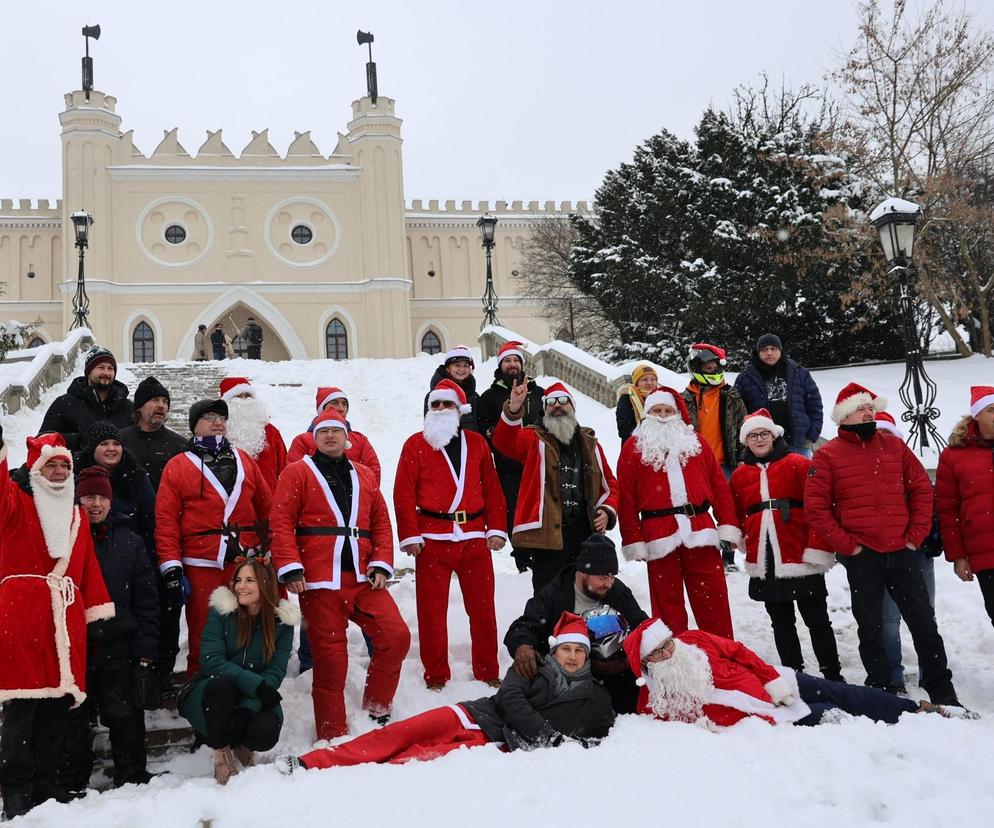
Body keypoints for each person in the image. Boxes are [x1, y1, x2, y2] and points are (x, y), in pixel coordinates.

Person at [275, 611, 615, 775]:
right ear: (555, 651)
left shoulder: (594, 697)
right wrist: (546, 735)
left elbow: (599, 733)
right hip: (472, 714)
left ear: (587, 656)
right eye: (566, 649)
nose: (571, 656)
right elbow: (509, 700)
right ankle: (312, 763)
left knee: (412, 761)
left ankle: (352, 779)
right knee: (395, 735)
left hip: (492, 742)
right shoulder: (532, 665)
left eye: (578, 651)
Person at [804, 382, 960, 705]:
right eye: (862, 408)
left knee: (923, 623)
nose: (869, 411)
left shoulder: (893, 446)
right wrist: (849, 547)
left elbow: (921, 489)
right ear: (845, 416)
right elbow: (816, 509)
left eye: (871, 407)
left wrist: (915, 537)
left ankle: (942, 690)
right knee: (871, 626)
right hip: (864, 556)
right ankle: (881, 688)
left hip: (902, 552)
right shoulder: (828, 455)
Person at [270, 408, 410, 739]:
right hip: (319, 581)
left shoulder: (364, 474)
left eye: (336, 431)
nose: (330, 436)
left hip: (363, 578)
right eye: (323, 432)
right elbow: (281, 521)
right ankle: (333, 734)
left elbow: (380, 522)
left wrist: (380, 561)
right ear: (314, 438)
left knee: (396, 637)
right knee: (330, 661)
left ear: (348, 438)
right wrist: (290, 566)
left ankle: (378, 706)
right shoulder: (296, 472)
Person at [0, 430, 114, 820]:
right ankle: (15, 790)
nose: (60, 470)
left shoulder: (78, 514)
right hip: (22, 615)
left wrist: (95, 612)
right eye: (51, 463)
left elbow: (88, 568)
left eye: (65, 464)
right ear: (36, 467)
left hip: (64, 621)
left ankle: (47, 785)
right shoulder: (15, 502)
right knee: (20, 711)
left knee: (55, 710)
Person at [622, 618, 967, 728]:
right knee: (835, 716)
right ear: (648, 662)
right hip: (769, 717)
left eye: (667, 642)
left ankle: (920, 713)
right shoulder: (655, 701)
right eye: (659, 651)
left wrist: (770, 679)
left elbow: (739, 651)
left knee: (844, 693)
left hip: (778, 682)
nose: (669, 651)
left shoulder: (691, 640)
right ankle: (901, 737)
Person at [395, 378, 507, 689]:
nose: (442, 409)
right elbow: (403, 493)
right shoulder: (415, 444)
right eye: (436, 404)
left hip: (473, 536)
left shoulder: (477, 443)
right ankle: (436, 675)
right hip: (432, 538)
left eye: (448, 404)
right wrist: (410, 535)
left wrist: (496, 528)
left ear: (460, 410)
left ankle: (487, 670)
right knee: (431, 613)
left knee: (484, 610)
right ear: (428, 409)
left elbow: (493, 489)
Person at [155, 398, 272, 676]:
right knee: (204, 632)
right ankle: (203, 694)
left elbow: (267, 509)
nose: (218, 422)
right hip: (201, 562)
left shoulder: (245, 460)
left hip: (246, 562)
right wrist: (171, 565)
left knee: (248, 629)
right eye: (209, 417)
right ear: (194, 425)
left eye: (222, 417)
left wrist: (271, 548)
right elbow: (166, 520)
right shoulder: (178, 465)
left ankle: (245, 689)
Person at [60, 467, 159, 793]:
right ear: (78, 499)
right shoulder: (63, 539)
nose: (96, 504)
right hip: (74, 646)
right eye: (89, 496)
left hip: (119, 644)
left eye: (103, 497)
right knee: (74, 720)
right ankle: (73, 782)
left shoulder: (130, 542)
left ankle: (133, 777)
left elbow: (146, 599)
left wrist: (146, 646)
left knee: (125, 716)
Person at [617, 387, 739, 639]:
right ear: (646, 415)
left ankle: (722, 652)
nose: (662, 416)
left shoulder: (696, 443)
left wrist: (727, 524)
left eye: (667, 410)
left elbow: (719, 487)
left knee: (713, 600)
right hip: (658, 534)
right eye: (656, 411)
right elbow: (626, 499)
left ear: (677, 414)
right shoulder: (633, 448)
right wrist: (633, 539)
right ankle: (675, 657)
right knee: (667, 606)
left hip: (701, 529)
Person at [729, 409, 841, 680]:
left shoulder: (798, 464)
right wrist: (741, 537)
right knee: (780, 619)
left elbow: (820, 506)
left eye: (763, 433)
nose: (759, 439)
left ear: (774, 434)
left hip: (799, 551)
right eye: (753, 435)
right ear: (746, 441)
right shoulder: (740, 475)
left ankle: (832, 672)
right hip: (765, 554)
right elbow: (734, 511)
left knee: (816, 618)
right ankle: (794, 672)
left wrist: (818, 546)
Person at [178, 557, 298, 785]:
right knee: (223, 685)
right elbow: (211, 661)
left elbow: (276, 670)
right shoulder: (222, 612)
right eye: (238, 580)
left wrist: (249, 707)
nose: (240, 586)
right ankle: (221, 752)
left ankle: (245, 745)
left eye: (249, 580)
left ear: (265, 583)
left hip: (254, 696)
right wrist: (256, 685)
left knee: (266, 730)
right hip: (212, 693)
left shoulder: (282, 622)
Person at [494, 380, 619, 592]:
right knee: (548, 596)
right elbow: (504, 441)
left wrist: (607, 510)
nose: (557, 405)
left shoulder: (590, 444)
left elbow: (611, 485)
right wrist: (514, 408)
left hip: (584, 534)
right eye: (551, 402)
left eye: (563, 401)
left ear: (573, 407)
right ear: (544, 409)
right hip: (547, 537)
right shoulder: (533, 439)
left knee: (585, 594)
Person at [504, 534, 648, 713]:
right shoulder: (554, 593)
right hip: (564, 675)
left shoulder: (617, 591)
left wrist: (625, 662)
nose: (609, 583)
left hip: (613, 674)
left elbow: (642, 626)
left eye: (612, 577)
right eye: (603, 577)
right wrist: (523, 648)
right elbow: (522, 628)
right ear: (582, 573)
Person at [875, 410, 940, 691]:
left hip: (917, 550)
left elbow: (927, 504)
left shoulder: (908, 465)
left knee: (925, 612)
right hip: (885, 554)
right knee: (888, 617)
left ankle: (931, 670)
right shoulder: (865, 472)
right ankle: (894, 673)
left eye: (888, 435)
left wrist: (917, 539)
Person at [476, 341, 545, 574]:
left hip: (538, 466)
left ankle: (543, 554)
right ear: (501, 365)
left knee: (540, 510)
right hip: (507, 468)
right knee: (514, 513)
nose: (512, 364)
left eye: (516, 360)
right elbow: (484, 429)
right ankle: (523, 559)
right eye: (508, 360)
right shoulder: (488, 397)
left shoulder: (537, 392)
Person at [680, 343, 747, 570]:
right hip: (695, 464)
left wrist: (742, 457)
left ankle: (728, 556)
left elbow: (742, 427)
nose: (711, 369)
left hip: (725, 462)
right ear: (697, 367)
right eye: (707, 366)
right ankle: (700, 553)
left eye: (714, 365)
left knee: (727, 510)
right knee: (697, 510)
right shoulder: (684, 398)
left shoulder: (732, 395)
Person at [936, 385, 994, 630]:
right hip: (985, 552)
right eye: (992, 410)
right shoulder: (954, 455)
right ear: (977, 415)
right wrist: (958, 556)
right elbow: (947, 510)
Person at [73, 421, 156, 558]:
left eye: (116, 444)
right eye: (104, 444)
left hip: (127, 554)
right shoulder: (75, 475)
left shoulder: (136, 476)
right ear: (93, 448)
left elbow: (150, 521)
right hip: (83, 550)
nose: (111, 448)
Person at [733, 333, 823, 458]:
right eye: (764, 349)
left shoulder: (799, 372)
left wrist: (812, 434)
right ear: (758, 353)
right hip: (763, 445)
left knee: (803, 477)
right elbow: (737, 413)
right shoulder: (746, 377)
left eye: (773, 349)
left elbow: (815, 405)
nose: (769, 353)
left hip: (798, 443)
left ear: (780, 351)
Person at [38, 347, 134, 450]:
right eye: (101, 367)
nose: (106, 373)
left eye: (110, 368)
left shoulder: (128, 407)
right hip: (78, 465)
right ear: (88, 372)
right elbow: (43, 440)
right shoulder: (64, 404)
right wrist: (81, 440)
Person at [286, 386, 382, 482]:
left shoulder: (360, 440)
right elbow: (293, 477)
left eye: (344, 404)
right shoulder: (302, 441)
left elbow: (373, 473)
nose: (341, 408)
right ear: (322, 408)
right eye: (334, 403)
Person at [218, 377, 287, 495]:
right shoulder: (218, 432)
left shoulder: (270, 431)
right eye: (238, 396)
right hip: (232, 502)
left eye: (248, 396)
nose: (244, 401)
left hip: (269, 499)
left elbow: (284, 468)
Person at [118, 376, 188, 490]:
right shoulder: (119, 440)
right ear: (140, 407)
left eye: (165, 402)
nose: (161, 405)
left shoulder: (180, 444)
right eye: (155, 400)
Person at [423, 345, 481, 432]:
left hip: (469, 444)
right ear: (447, 368)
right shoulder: (435, 396)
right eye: (457, 365)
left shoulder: (474, 396)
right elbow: (430, 427)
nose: (462, 369)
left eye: (465, 366)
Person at [616, 363, 658, 442]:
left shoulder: (663, 397)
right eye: (644, 379)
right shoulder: (626, 399)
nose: (649, 382)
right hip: (634, 446)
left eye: (653, 379)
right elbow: (623, 430)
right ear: (636, 383)